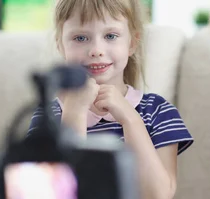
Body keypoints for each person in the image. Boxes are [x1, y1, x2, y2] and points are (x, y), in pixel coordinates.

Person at [26, 0, 194, 198]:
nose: (96, 49)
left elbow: (158, 194)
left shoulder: (158, 111)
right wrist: (74, 112)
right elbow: (53, 193)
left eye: (110, 36)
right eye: (80, 38)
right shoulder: (48, 116)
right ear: (61, 45)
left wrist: (130, 119)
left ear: (132, 42)